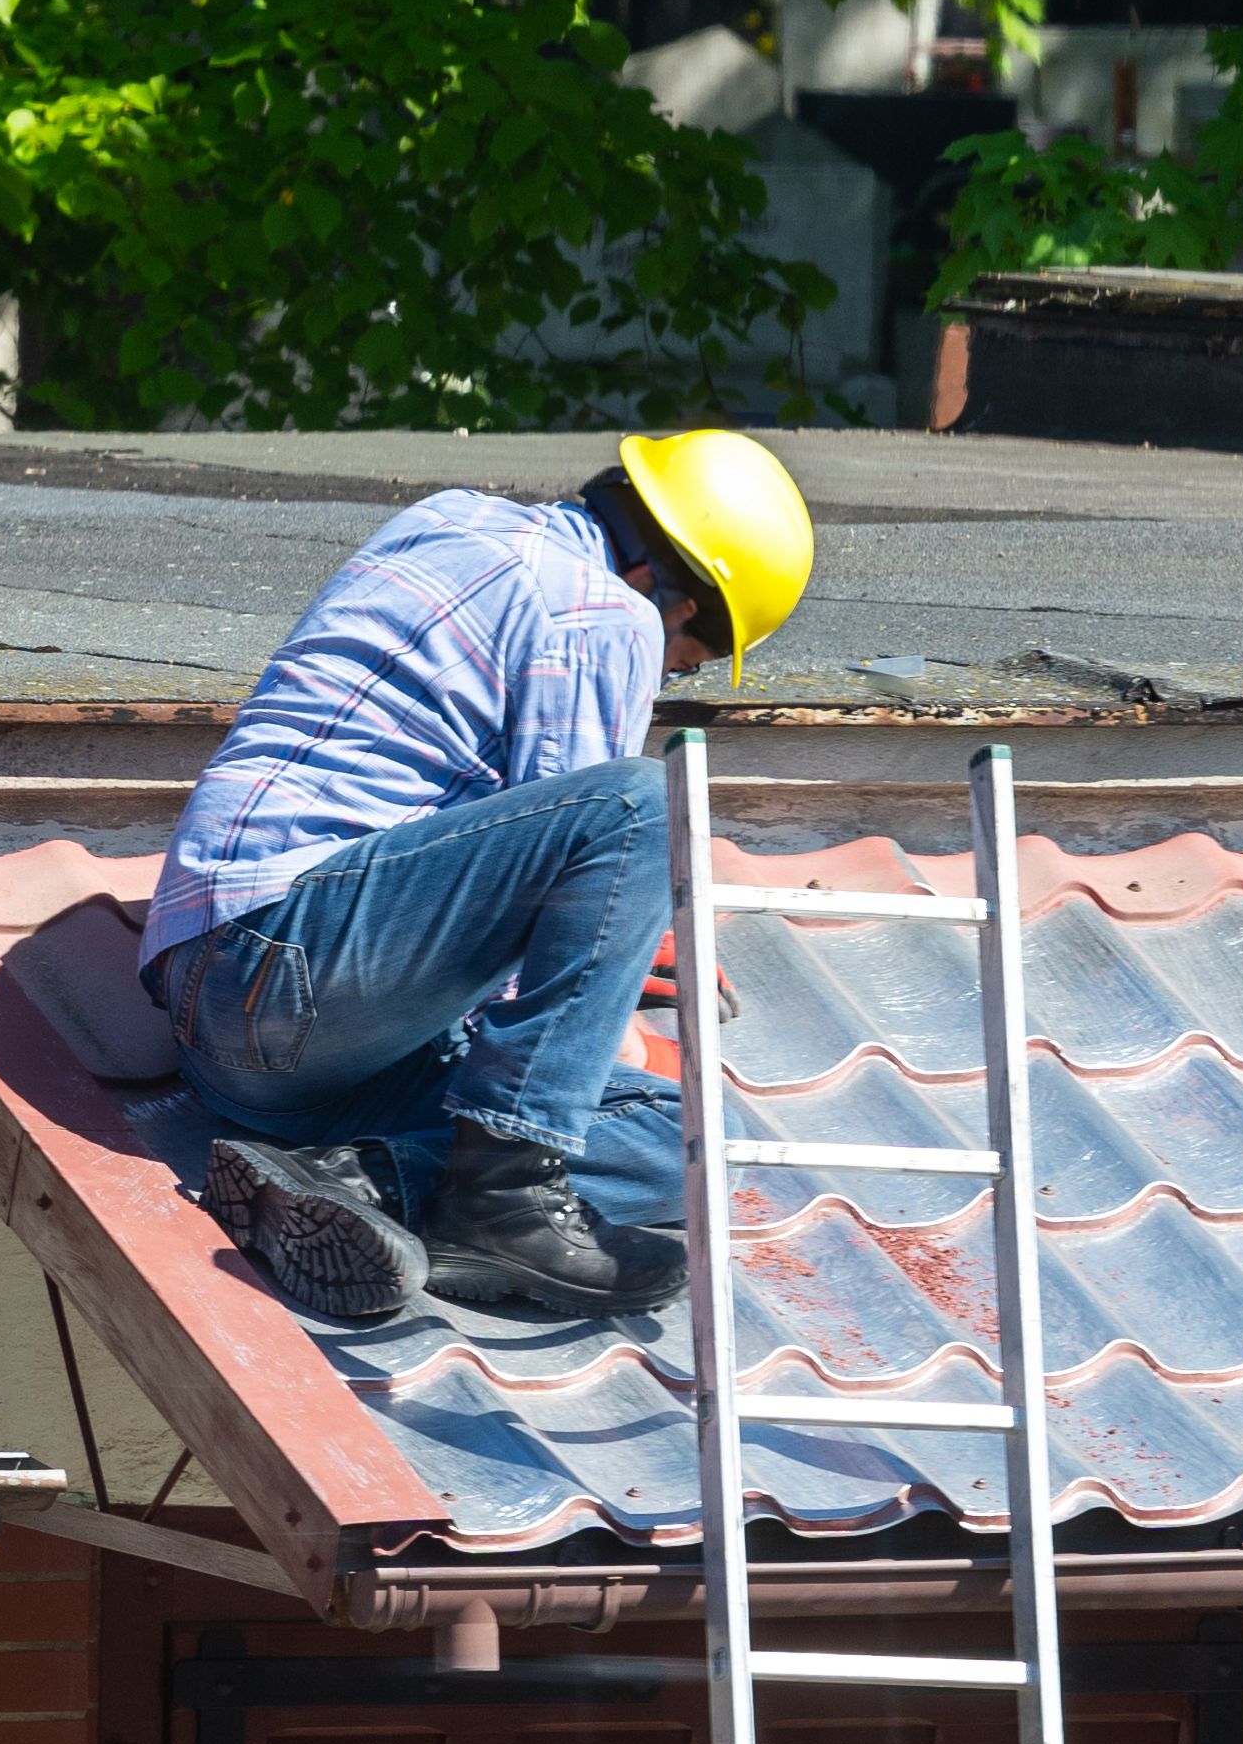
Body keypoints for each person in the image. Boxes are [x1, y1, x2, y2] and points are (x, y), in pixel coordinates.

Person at [134, 432, 815, 1322]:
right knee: (645, 804)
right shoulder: (605, 612)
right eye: (682, 659)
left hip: (256, 1036)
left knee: (694, 1140)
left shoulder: (447, 520)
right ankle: (500, 1199)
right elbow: (589, 866)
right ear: (671, 595)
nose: (664, 672)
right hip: (287, 963)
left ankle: (353, 1179)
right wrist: (598, 1024)